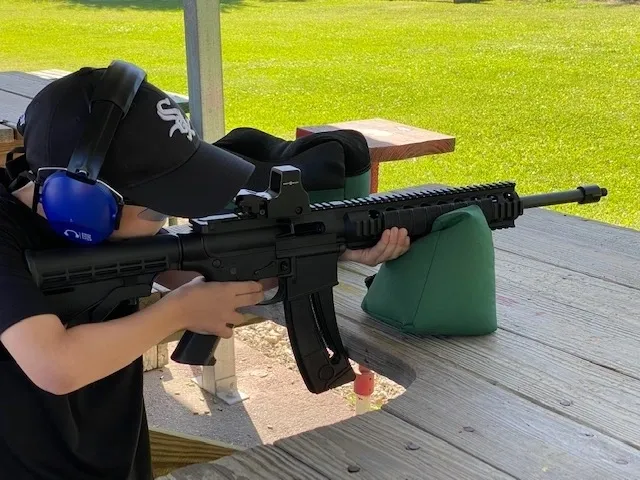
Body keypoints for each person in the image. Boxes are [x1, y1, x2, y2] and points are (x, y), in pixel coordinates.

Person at [0, 64, 411, 479]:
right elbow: (55, 365)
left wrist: (329, 251)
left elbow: (201, 276)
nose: (171, 219)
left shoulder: (109, 238)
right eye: (160, 207)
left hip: (114, 455)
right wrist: (177, 312)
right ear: (83, 203)